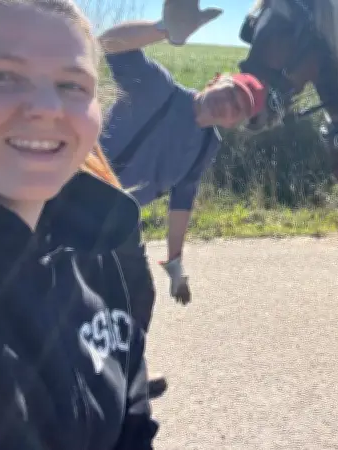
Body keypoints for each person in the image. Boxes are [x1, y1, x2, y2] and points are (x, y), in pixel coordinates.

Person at [0, 0, 158, 448]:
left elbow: (133, 419)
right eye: (0, 76)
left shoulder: (98, 244)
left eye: (71, 84)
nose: (47, 107)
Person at [97, 0, 266, 397]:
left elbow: (181, 200)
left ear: (234, 123)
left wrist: (175, 263)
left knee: (139, 294)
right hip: (77, 194)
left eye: (238, 110)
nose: (229, 105)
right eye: (231, 93)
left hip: (121, 218)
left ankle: (126, 377)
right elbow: (108, 43)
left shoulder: (208, 143)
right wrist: (163, 28)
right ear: (216, 80)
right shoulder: (158, 86)